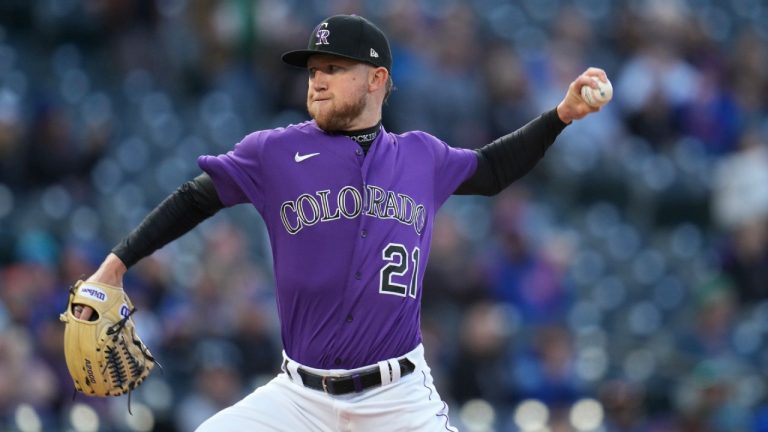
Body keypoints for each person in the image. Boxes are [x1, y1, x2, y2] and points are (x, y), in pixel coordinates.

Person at [73, 14, 607, 431]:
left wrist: (559, 116)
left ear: (376, 79)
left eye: (333, 68)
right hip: (298, 399)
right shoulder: (274, 152)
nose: (317, 81)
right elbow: (196, 199)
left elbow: (491, 170)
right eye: (312, 71)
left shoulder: (423, 157)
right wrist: (116, 264)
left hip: (396, 398)